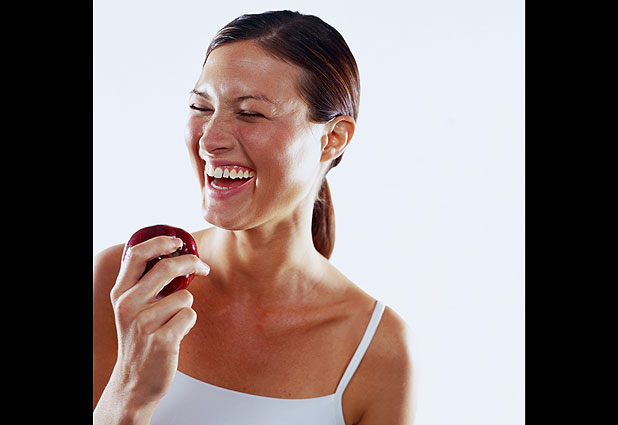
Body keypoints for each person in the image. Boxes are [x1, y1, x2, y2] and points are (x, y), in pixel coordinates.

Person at [93, 10, 417, 425]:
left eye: (250, 113)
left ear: (332, 138)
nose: (210, 140)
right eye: (200, 106)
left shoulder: (379, 352)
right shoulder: (124, 285)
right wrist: (130, 391)